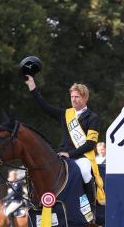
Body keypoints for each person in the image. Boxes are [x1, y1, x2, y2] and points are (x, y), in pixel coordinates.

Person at [25, 75, 105, 218]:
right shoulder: (66, 114)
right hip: (62, 154)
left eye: (77, 97)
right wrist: (32, 86)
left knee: (86, 172)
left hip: (81, 156)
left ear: (85, 98)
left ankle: (91, 209)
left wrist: (71, 154)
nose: (73, 99)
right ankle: (38, 203)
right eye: (72, 97)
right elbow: (44, 106)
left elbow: (90, 144)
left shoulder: (93, 118)